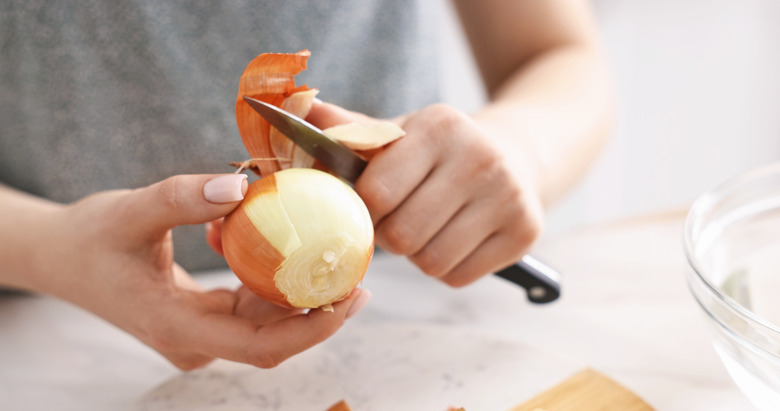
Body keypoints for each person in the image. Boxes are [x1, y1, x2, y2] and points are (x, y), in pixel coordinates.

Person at [0, 0, 612, 370]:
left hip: (410, 304)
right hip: (38, 326)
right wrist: (45, 247)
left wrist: (520, 148)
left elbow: (558, 53)